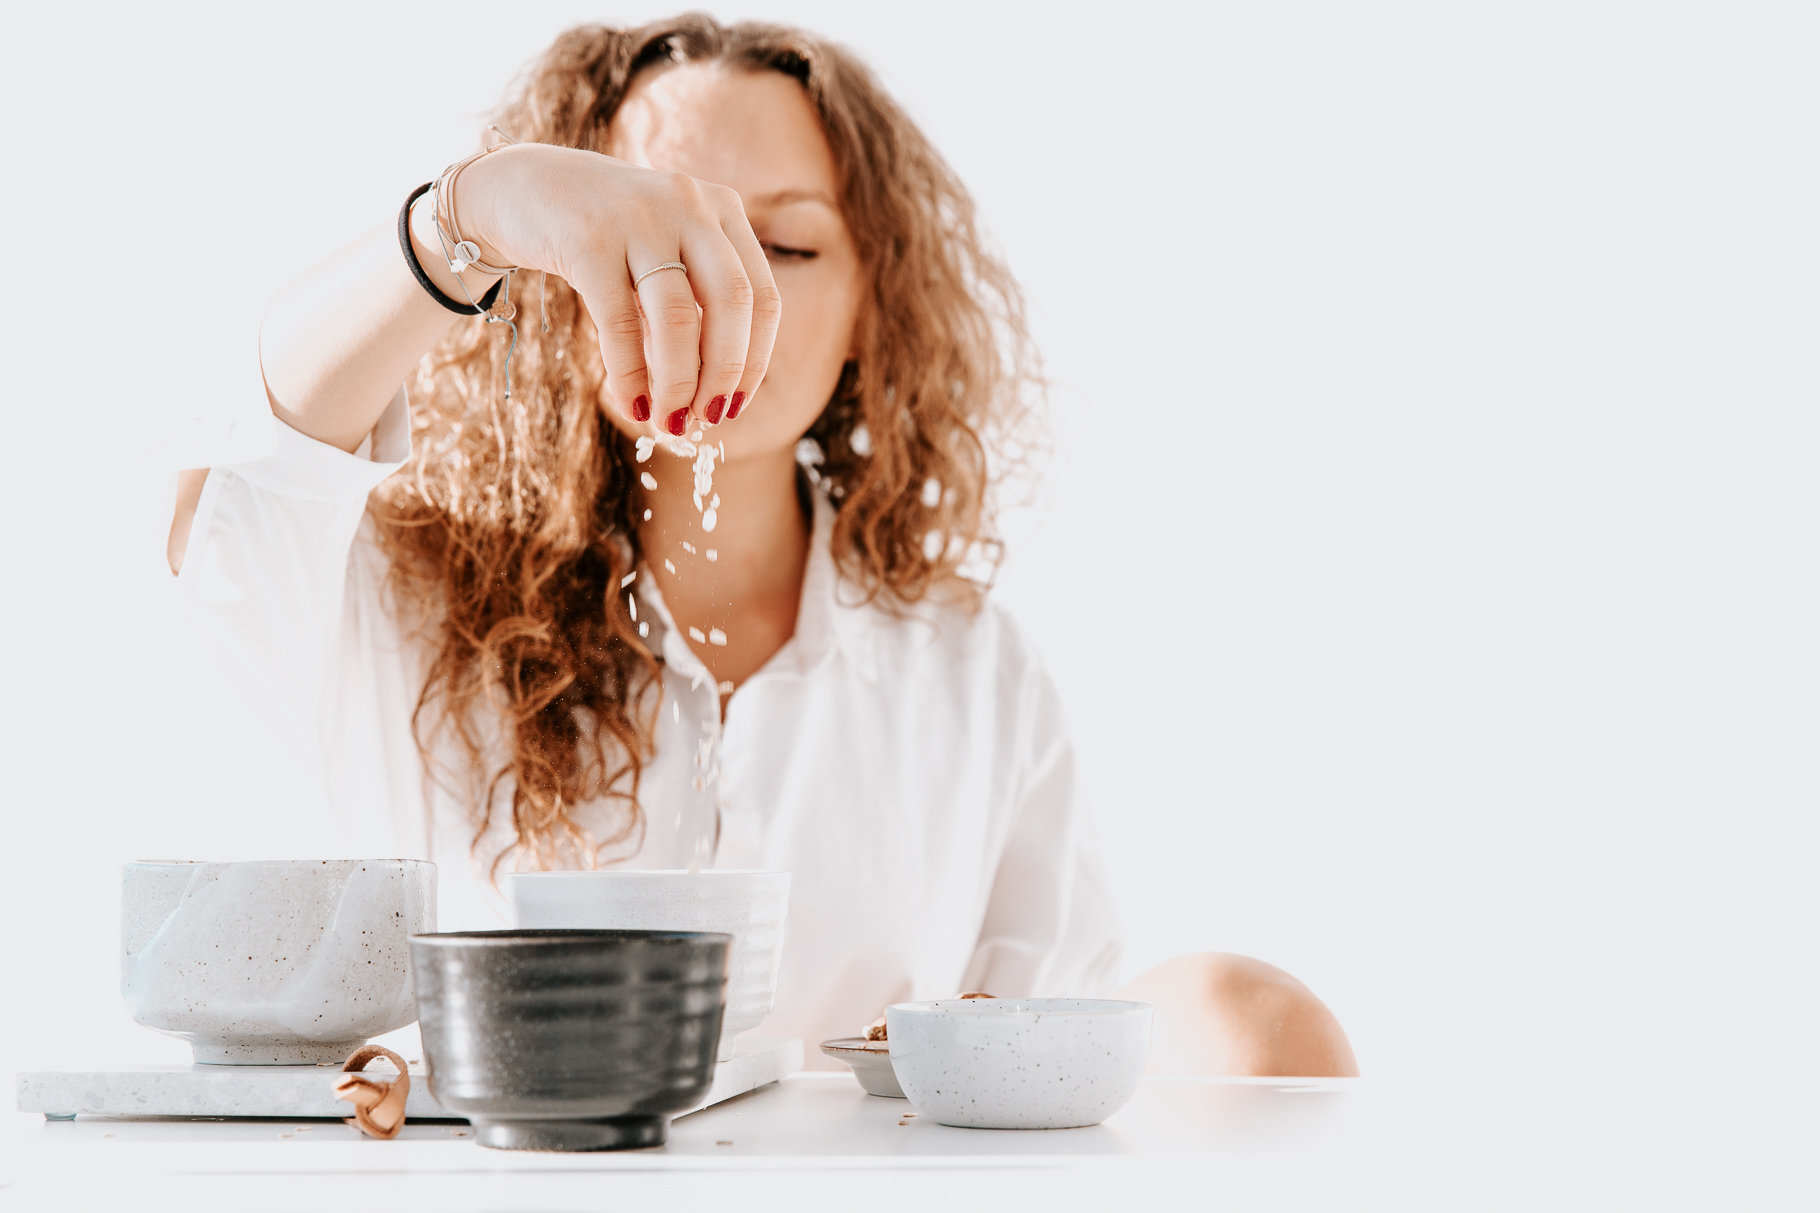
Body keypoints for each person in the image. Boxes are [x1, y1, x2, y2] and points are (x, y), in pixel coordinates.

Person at [167, 15, 1355, 1076]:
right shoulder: (406, 597)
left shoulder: (969, 669)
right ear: (549, 279)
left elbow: (1039, 1038)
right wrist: (471, 212)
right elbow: (249, 484)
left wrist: (1223, 1020)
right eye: (638, 236)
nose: (715, 293)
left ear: (871, 306)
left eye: (783, 248)